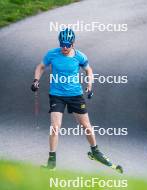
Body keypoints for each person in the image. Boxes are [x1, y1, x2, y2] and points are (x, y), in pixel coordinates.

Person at [31, 28, 122, 173]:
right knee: (55, 127)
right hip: (57, 95)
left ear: (73, 43)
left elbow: (89, 70)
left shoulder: (80, 56)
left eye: (68, 44)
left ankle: (95, 152)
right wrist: (36, 80)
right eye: (62, 44)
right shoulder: (52, 54)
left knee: (86, 126)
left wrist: (90, 86)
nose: (65, 47)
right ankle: (52, 161)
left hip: (75, 95)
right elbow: (41, 66)